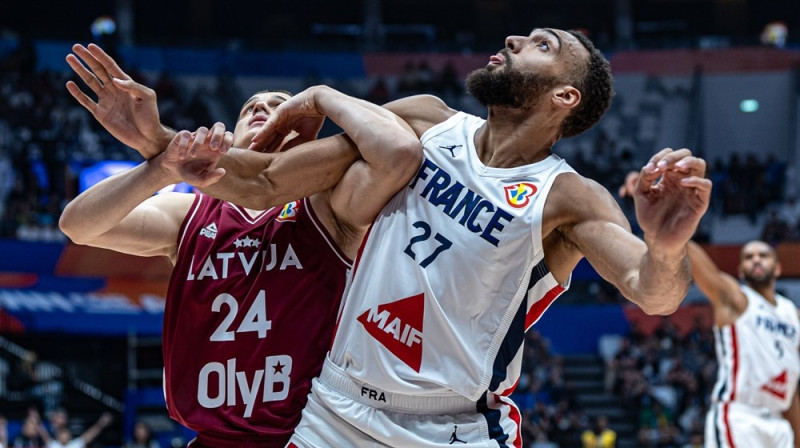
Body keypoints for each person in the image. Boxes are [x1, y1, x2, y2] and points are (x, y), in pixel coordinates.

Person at [179, 27, 711, 447]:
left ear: (564, 95)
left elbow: (655, 292)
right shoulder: (421, 120)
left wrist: (666, 246)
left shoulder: (568, 197)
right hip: (335, 413)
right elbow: (270, 181)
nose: (513, 41)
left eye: (540, 45)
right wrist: (159, 144)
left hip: (454, 427)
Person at [59, 44, 421, 448]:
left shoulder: (329, 208)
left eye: (280, 104)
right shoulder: (190, 213)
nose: (263, 107)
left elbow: (395, 154)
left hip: (306, 435)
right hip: (210, 437)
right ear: (230, 133)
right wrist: (160, 167)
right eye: (251, 106)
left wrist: (320, 97)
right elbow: (78, 225)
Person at [621, 172, 800, 447]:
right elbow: (705, 270)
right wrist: (669, 220)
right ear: (740, 270)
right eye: (749, 257)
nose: (756, 260)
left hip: (778, 421)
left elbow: (792, 384)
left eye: (763, 255)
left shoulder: (792, 314)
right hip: (741, 416)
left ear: (777, 268)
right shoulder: (737, 299)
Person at [45, 412, 112, 448]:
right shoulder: (52, 445)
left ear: (70, 435)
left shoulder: (75, 444)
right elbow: (42, 431)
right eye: (61, 434)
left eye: (65, 433)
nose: (64, 436)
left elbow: (89, 435)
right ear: (57, 436)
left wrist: (101, 423)